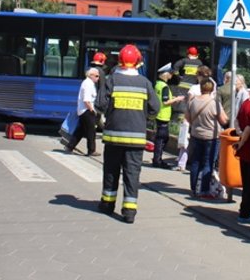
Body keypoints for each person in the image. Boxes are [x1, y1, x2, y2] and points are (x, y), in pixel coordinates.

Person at [95, 44, 159, 224]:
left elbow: (100, 105)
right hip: (136, 139)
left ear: (119, 61)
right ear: (138, 61)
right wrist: (143, 117)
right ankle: (129, 211)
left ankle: (107, 204)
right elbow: (155, 108)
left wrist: (110, 113)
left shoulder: (111, 80)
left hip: (113, 138)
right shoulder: (145, 83)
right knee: (132, 174)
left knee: (111, 171)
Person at [186, 75, 228, 198]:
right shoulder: (214, 103)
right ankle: (204, 190)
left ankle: (194, 188)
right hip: (211, 137)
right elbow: (224, 120)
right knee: (208, 163)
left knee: (195, 162)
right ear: (212, 89)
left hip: (195, 135)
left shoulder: (192, 101)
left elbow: (188, 118)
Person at [231, 79, 250, 224]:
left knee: (246, 182)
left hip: (244, 151)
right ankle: (246, 212)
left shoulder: (245, 104)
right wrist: (243, 140)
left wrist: (239, 133)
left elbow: (236, 121)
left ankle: (245, 210)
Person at [152, 64, 183, 168]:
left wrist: (172, 97)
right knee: (162, 139)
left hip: (158, 114)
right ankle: (157, 160)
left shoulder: (158, 84)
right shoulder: (164, 86)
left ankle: (157, 159)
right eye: (170, 73)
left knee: (161, 138)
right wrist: (177, 99)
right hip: (163, 115)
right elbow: (165, 102)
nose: (171, 74)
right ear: (165, 74)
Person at [65, 67, 100, 156]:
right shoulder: (88, 84)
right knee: (91, 131)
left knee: (80, 130)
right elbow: (86, 100)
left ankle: (70, 146)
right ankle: (91, 150)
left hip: (83, 110)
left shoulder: (88, 83)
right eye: (96, 76)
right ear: (91, 75)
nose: (98, 78)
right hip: (86, 110)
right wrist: (92, 110)